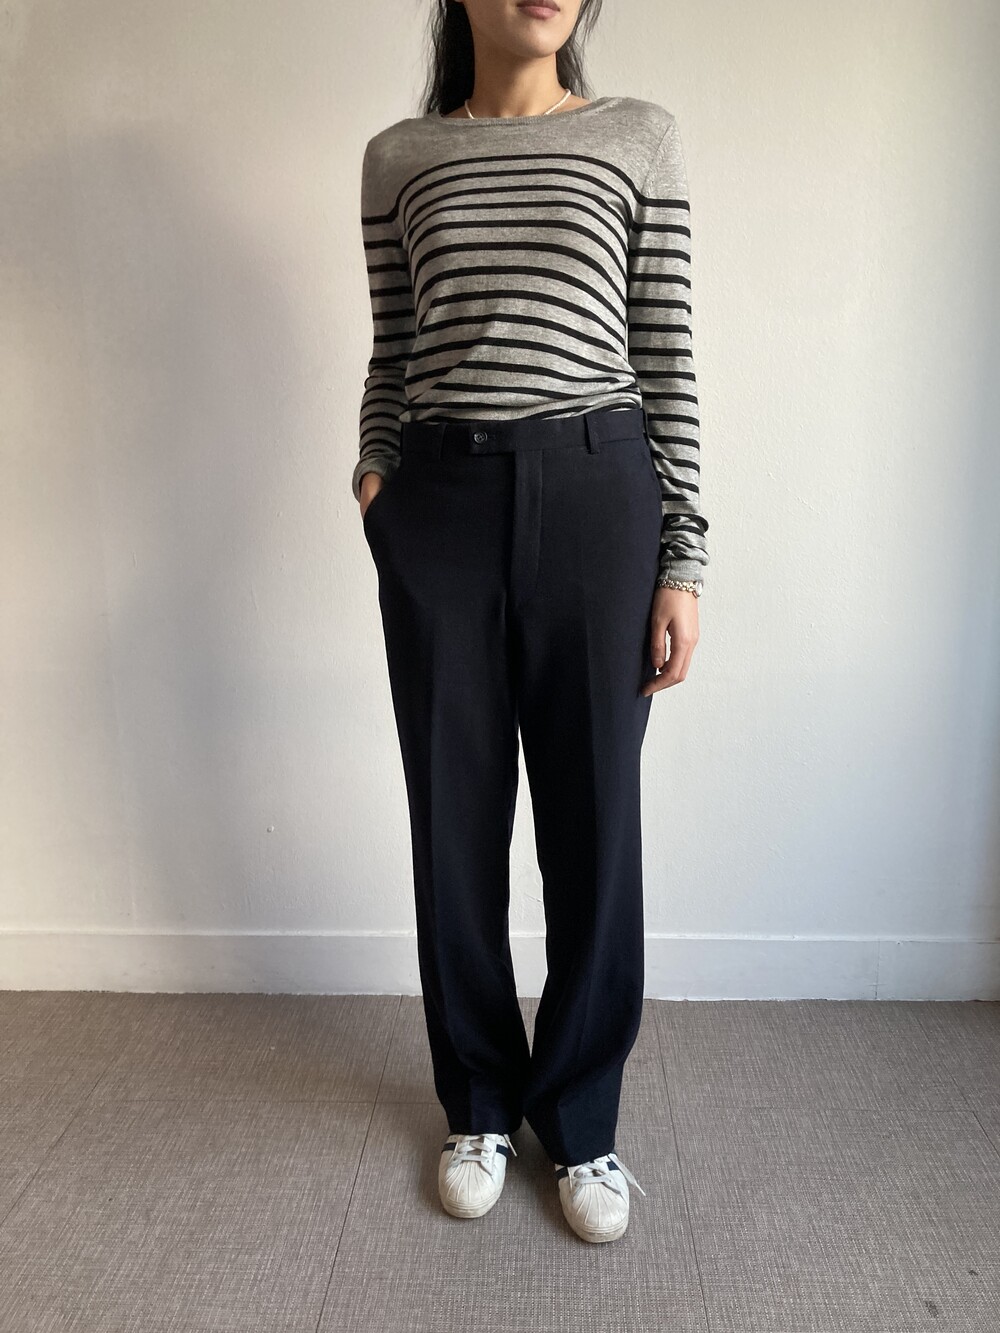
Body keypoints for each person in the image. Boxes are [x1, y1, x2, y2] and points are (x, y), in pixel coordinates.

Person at [352, 0, 708, 1244]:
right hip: (440, 503)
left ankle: (582, 1118)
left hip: (599, 494)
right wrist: (377, 475)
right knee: (452, 818)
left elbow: (665, 353)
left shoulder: (638, 137)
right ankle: (478, 1102)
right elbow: (394, 346)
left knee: (594, 820)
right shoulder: (399, 157)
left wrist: (683, 555)